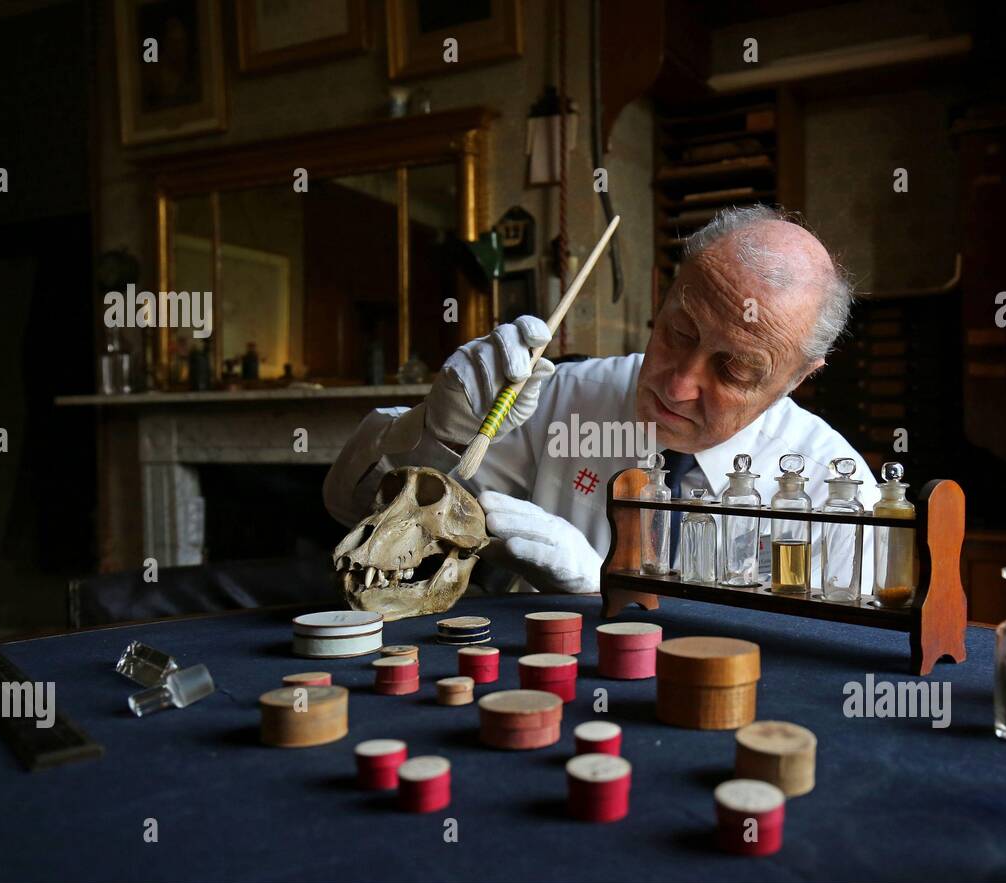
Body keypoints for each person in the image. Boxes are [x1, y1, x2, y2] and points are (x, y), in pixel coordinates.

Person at [324, 204, 879, 594]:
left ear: (800, 376)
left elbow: (822, 672)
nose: (678, 384)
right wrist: (435, 431)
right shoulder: (566, 396)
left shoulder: (834, 491)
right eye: (679, 334)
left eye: (734, 368)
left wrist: (604, 599)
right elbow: (349, 507)